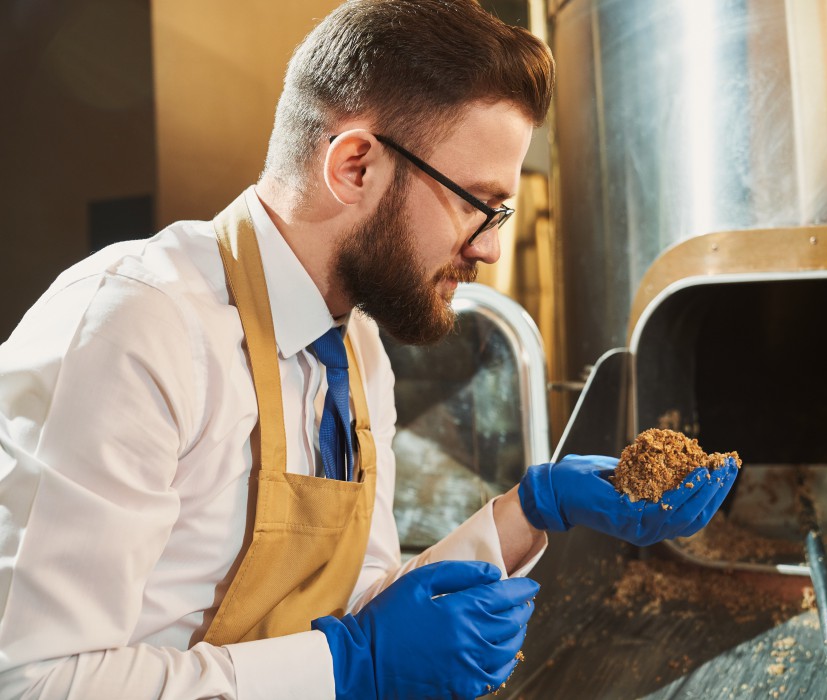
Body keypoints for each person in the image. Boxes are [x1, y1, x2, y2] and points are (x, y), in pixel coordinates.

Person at [0, 1, 738, 698]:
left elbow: (366, 618)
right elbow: (34, 681)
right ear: (355, 165)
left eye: (501, 212)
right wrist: (351, 667)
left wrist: (533, 511)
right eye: (476, 205)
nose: (487, 249)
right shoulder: (138, 326)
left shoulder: (357, 350)